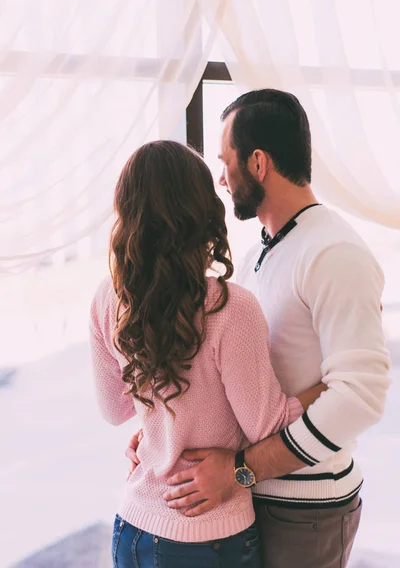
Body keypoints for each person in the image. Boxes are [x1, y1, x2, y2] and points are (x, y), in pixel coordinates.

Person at [126, 91, 391, 568]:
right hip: (253, 504)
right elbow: (236, 384)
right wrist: (163, 431)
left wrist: (241, 472)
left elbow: (361, 396)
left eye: (225, 163)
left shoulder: (335, 254)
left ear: (258, 162)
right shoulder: (256, 258)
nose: (221, 180)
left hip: (304, 506)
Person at [89, 140, 325, 568]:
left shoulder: (109, 298)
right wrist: (331, 382)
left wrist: (160, 424)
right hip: (211, 539)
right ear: (201, 212)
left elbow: (113, 410)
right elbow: (265, 425)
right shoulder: (229, 307)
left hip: (133, 529)